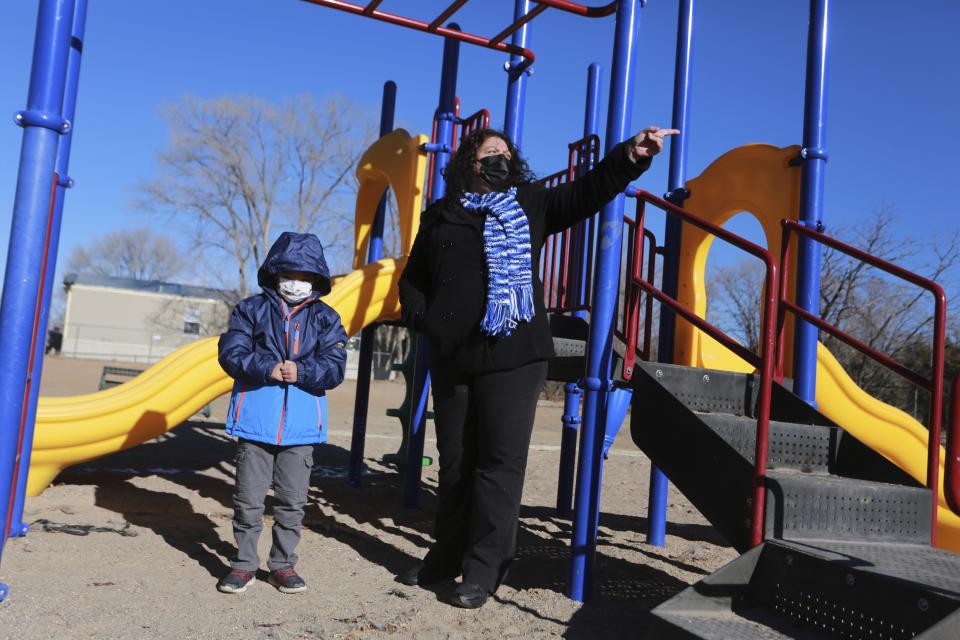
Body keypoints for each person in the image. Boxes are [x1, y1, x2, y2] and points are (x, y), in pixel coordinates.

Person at [397, 126, 677, 608]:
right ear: (470, 162)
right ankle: (445, 556)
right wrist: (425, 321)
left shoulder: (530, 203)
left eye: (506, 153)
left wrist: (631, 155)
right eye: (490, 153)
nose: (500, 159)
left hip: (514, 355)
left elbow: (589, 190)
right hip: (453, 355)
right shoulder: (441, 215)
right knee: (456, 463)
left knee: (498, 464)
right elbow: (413, 280)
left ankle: (482, 571)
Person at [216, 231, 348, 595]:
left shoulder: (327, 319)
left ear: (316, 280)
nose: (297, 282)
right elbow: (231, 351)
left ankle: (283, 564)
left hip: (301, 429)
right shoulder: (250, 309)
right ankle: (243, 564)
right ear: (275, 274)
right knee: (248, 498)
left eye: (306, 276)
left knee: (292, 501)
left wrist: (302, 372)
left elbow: (335, 366)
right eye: (290, 274)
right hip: (255, 424)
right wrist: (266, 367)